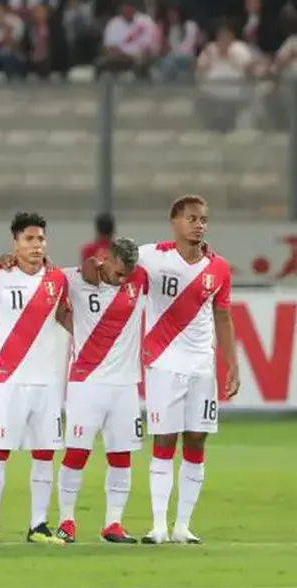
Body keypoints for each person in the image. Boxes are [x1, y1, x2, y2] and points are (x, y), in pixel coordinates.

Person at [85, 194, 239, 544]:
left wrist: (232, 365)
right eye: (192, 218)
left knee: (196, 440)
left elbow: (224, 316)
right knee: (164, 441)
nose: (199, 224)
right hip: (163, 364)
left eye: (203, 219)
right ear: (175, 222)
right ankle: (158, 525)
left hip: (202, 365)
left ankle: (183, 526)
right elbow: (115, 270)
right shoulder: (152, 256)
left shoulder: (219, 268)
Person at [0, 212, 68, 545]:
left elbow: (69, 318)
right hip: (6, 380)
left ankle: (38, 525)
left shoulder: (57, 280)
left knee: (44, 454)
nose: (36, 245)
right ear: (15, 242)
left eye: (41, 238)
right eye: (29, 239)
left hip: (46, 383)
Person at [53, 237, 147, 544]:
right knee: (77, 453)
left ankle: (113, 524)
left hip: (125, 386)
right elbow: (49, 294)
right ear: (105, 258)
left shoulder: (141, 278)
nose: (123, 280)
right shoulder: (73, 279)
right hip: (86, 383)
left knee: (121, 457)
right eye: (119, 273)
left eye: (127, 275)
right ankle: (67, 521)